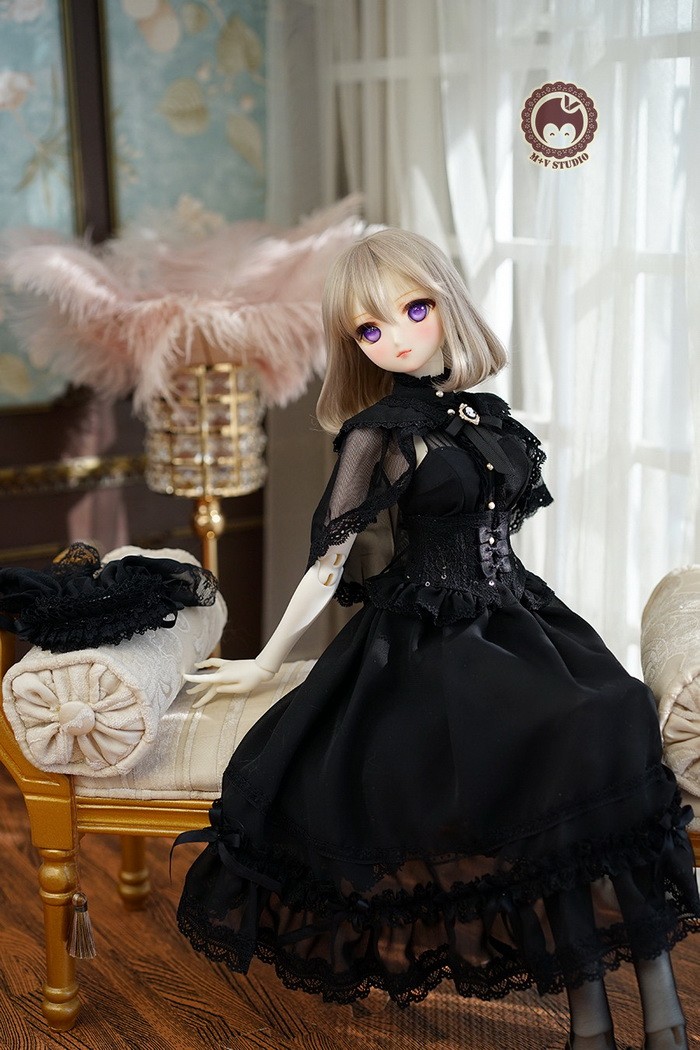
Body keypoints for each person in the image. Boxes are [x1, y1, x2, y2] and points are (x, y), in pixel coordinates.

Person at [177, 228, 699, 1050]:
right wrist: (267, 662)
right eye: (369, 328)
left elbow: (498, 530)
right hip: (433, 640)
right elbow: (328, 562)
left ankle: (655, 1007)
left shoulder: (481, 416)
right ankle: (604, 1020)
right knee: (567, 731)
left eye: (413, 309)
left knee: (613, 708)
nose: (396, 336)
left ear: (447, 302)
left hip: (521, 618)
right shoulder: (376, 432)